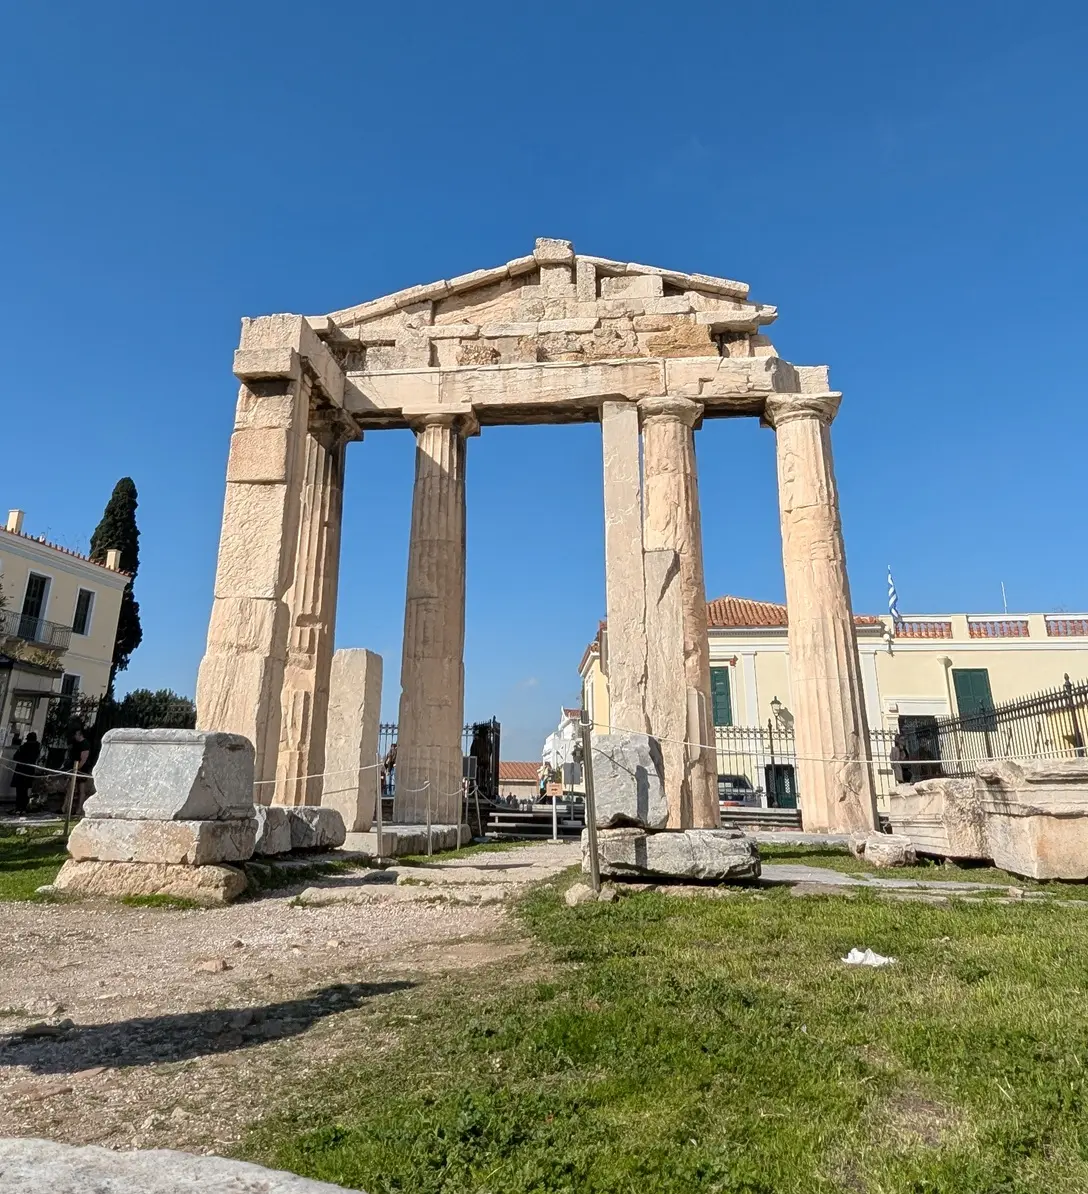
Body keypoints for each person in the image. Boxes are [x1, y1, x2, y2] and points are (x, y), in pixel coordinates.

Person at [65, 727, 93, 813]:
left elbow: (83, 759)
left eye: (76, 734)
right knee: (70, 788)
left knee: (81, 789)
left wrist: (77, 769)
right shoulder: (76, 744)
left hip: (81, 769)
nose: (75, 736)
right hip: (74, 767)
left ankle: (79, 809)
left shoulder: (85, 744)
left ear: (80, 735)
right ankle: (65, 808)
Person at [12, 732, 40, 815]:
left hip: (20, 770)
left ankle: (18, 808)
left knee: (19, 791)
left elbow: (15, 757)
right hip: (30, 771)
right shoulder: (37, 748)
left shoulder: (23, 747)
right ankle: (24, 808)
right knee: (25, 790)